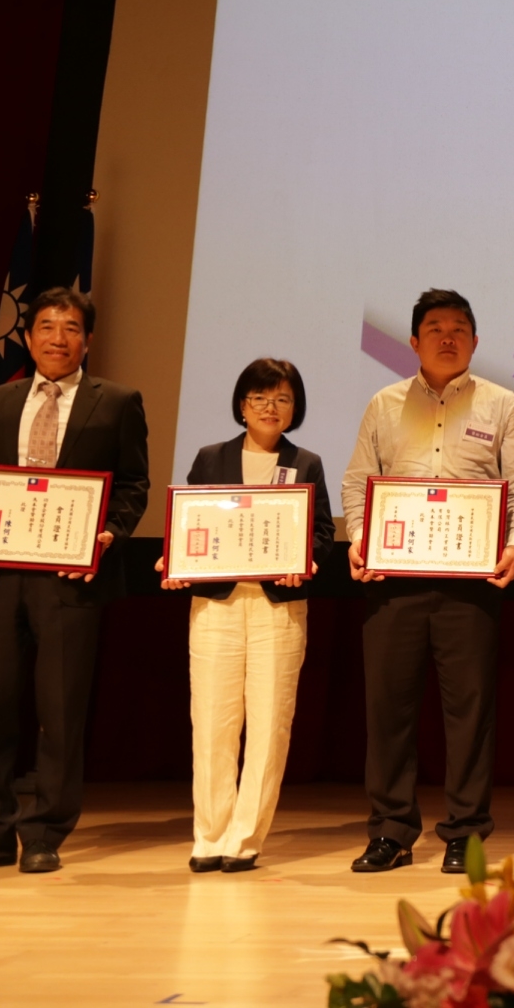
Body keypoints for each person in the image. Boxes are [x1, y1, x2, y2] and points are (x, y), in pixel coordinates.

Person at [0, 286, 149, 875]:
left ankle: (46, 831)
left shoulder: (117, 401)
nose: (58, 338)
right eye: (47, 326)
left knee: (60, 710)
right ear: (28, 338)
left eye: (71, 328)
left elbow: (133, 485)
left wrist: (108, 535)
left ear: (88, 341)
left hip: (70, 578)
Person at [340, 289, 514, 874]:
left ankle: (466, 832)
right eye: (434, 328)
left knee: (470, 713)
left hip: (470, 586)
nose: (447, 337)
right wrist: (360, 538)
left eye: (458, 328)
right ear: (413, 341)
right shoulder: (384, 404)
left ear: (475, 341)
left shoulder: (502, 405)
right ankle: (391, 831)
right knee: (388, 712)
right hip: (393, 581)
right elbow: (357, 483)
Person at [164, 358, 335, 874]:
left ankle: (244, 838)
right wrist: (173, 559)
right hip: (216, 605)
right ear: (242, 405)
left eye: (282, 399)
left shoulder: (305, 463)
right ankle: (209, 835)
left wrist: (306, 561)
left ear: (295, 408)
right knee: (212, 722)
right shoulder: (210, 458)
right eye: (260, 397)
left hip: (277, 609)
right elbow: (187, 523)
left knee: (269, 724)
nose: (270, 407)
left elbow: (322, 533)